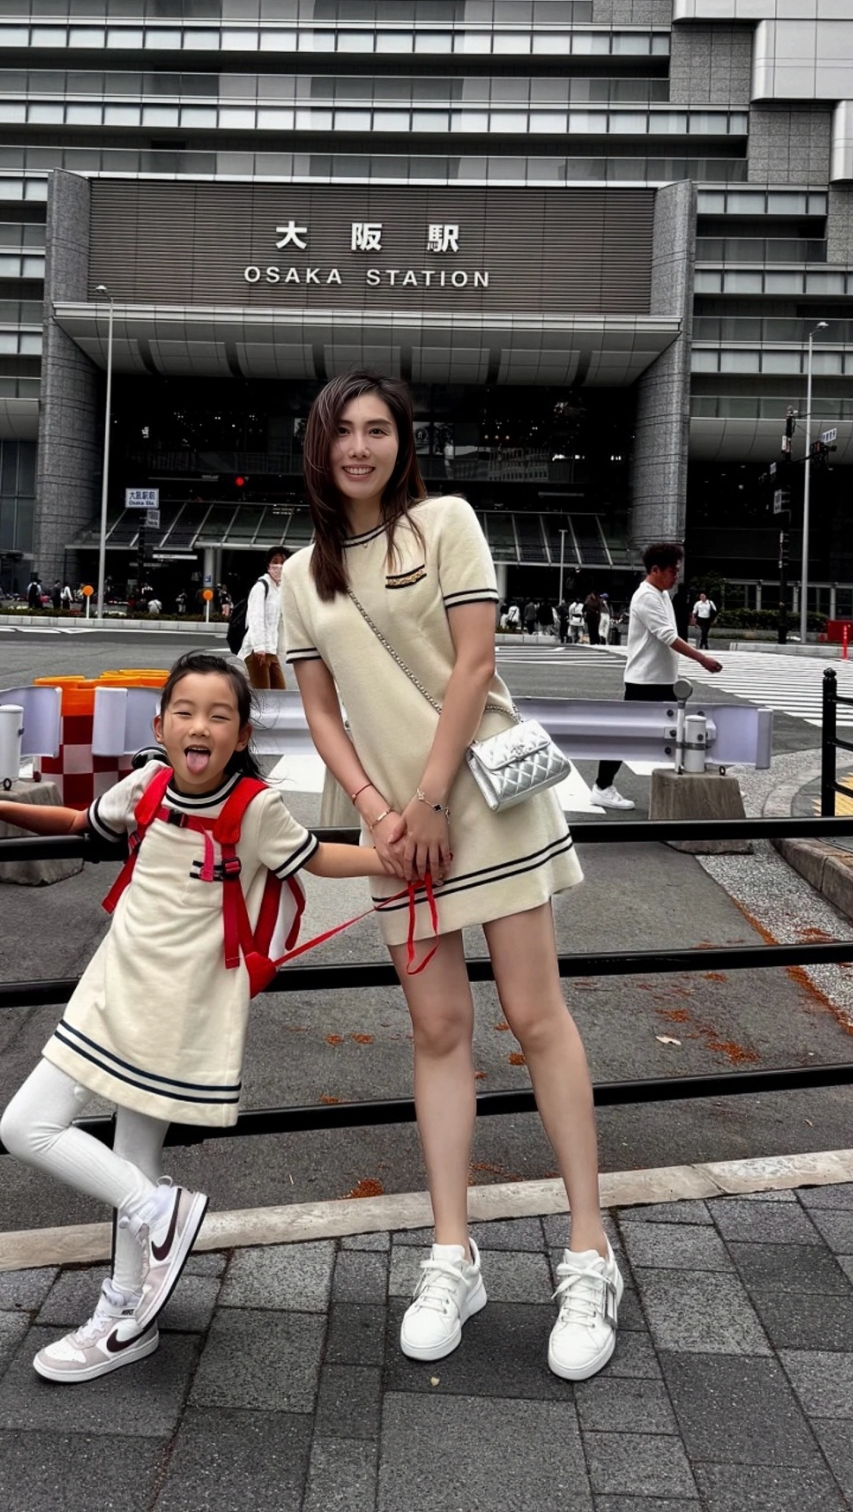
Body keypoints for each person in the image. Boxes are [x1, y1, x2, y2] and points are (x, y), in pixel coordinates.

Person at [282, 369, 623, 1382]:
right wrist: (381, 810)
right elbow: (321, 712)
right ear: (318, 446)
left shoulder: (447, 523)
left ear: (402, 442)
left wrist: (428, 798)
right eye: (342, 430)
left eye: (377, 428)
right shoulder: (301, 575)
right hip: (396, 828)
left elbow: (475, 665)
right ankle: (452, 1255)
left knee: (535, 1013)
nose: (360, 446)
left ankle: (590, 1252)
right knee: (436, 1030)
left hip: (482, 802)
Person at [0, 650, 398, 1386]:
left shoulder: (255, 809)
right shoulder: (146, 786)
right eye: (184, 711)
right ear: (160, 725)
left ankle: (129, 1297)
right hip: (113, 991)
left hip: (179, 1011)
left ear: (241, 736)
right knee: (30, 1126)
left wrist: (394, 859)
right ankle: (152, 1230)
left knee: (86, 1146)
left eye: (219, 715)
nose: (199, 726)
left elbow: (315, 858)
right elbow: (82, 822)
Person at [592, 541, 723, 811]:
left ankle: (694, 786)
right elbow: (667, 636)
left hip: (660, 679)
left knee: (678, 733)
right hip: (645, 681)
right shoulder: (646, 597)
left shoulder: (661, 594)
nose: (676, 577)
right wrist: (702, 659)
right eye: (672, 571)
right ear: (655, 570)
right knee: (630, 735)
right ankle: (602, 787)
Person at [240, 548, 288, 691]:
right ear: (268, 565)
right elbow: (256, 617)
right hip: (258, 652)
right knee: (263, 696)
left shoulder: (279, 589)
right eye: (275, 562)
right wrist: (259, 647)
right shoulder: (261, 587)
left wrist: (281, 648)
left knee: (280, 693)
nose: (279, 566)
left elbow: (280, 622)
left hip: (271, 651)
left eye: (283, 562)